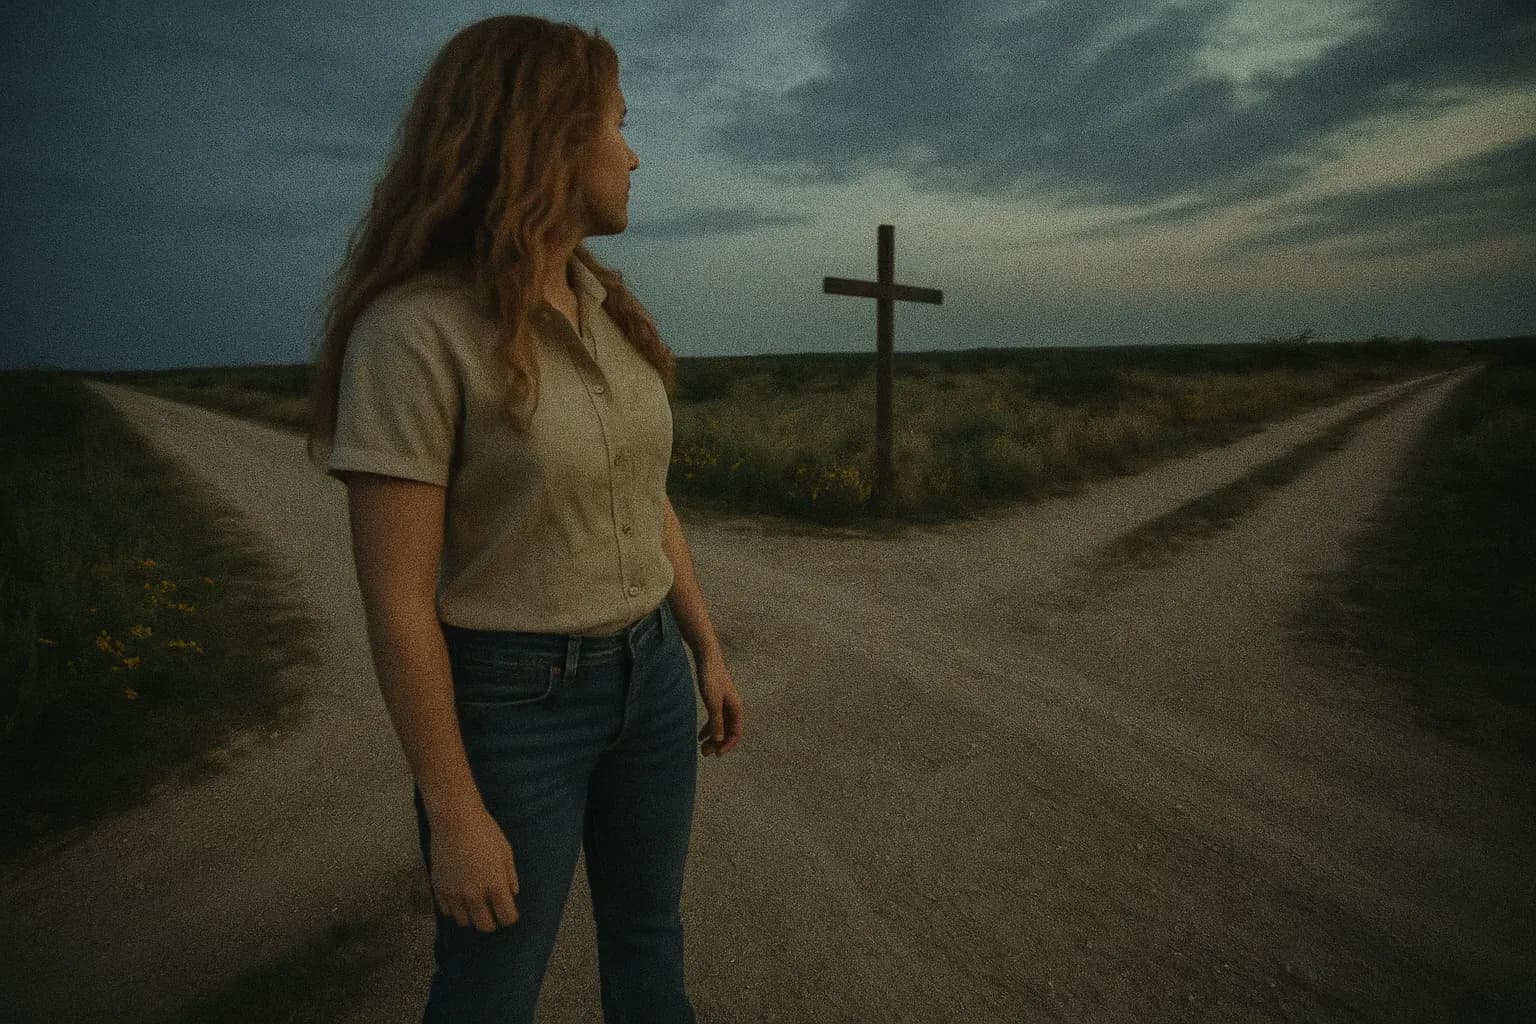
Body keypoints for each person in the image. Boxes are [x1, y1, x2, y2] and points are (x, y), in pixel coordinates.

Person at [303, 15, 744, 1023]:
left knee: (649, 943)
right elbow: (399, 603)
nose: (634, 154)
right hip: (515, 707)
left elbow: (645, 496)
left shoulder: (608, 307)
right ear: (544, 138)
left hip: (652, 683)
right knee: (491, 988)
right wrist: (455, 809)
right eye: (618, 126)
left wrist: (703, 646)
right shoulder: (414, 333)